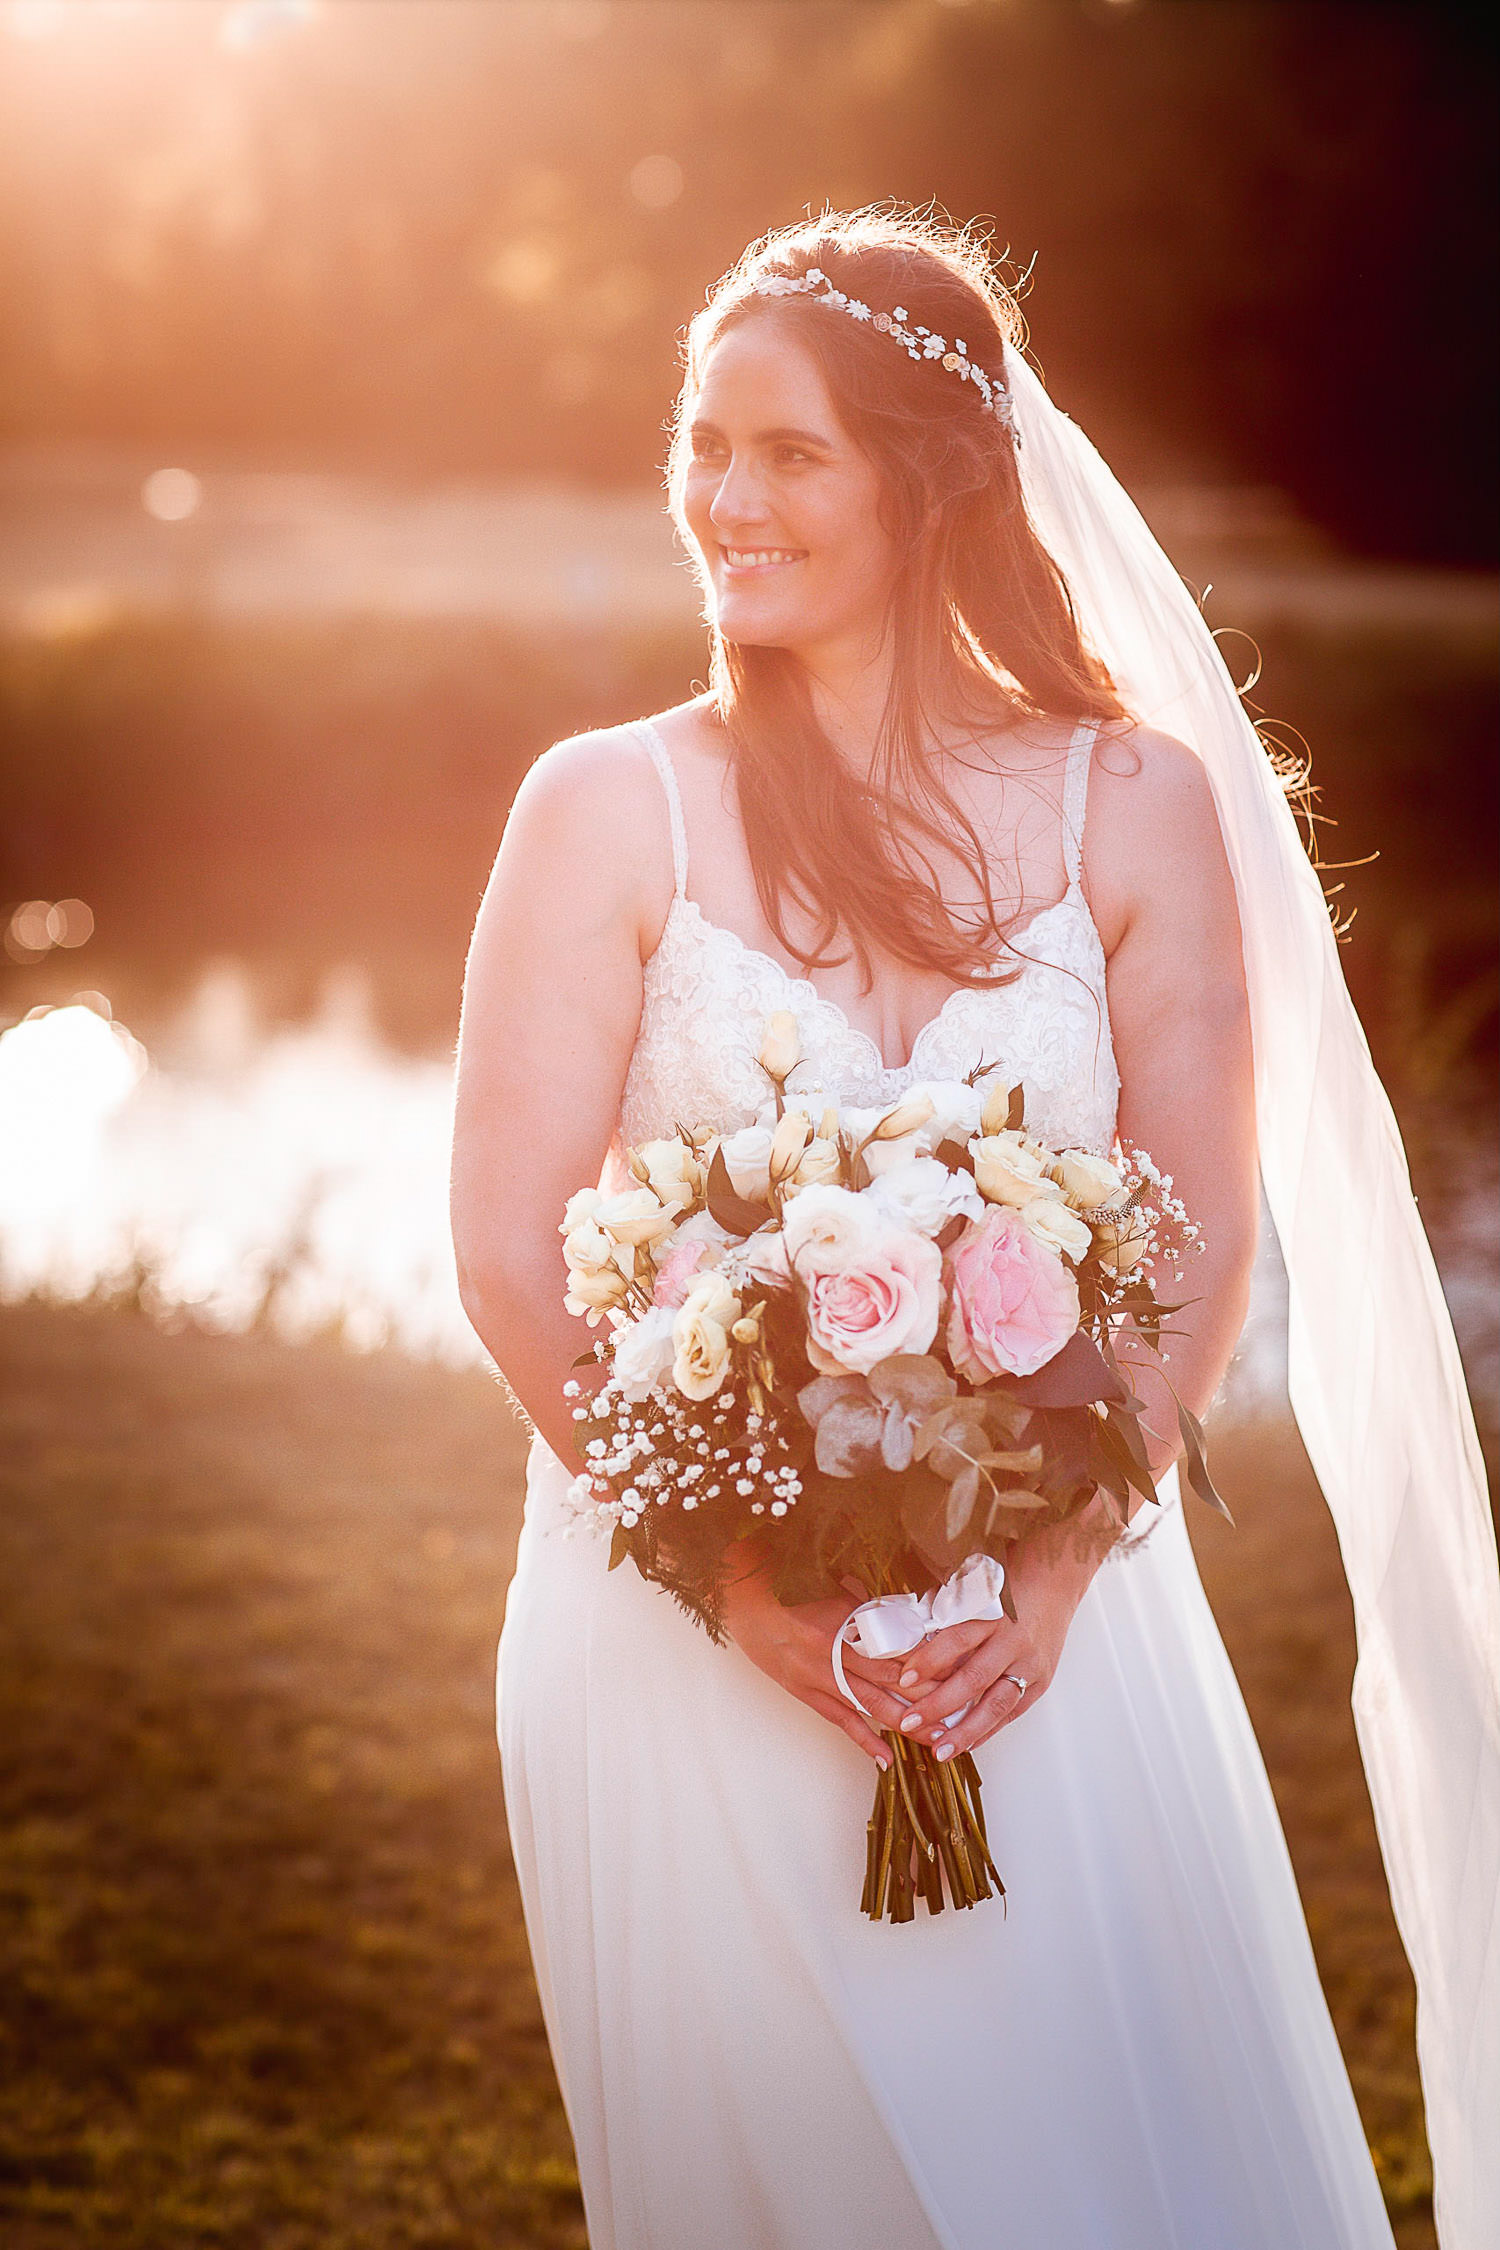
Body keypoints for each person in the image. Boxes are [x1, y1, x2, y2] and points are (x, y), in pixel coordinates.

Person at [451, 212, 1496, 2250]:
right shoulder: (607, 805)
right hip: (684, 1638)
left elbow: (1187, 1249)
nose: (725, 500)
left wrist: (1053, 1571)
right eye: (705, 445)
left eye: (787, 452)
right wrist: (737, 1590)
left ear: (930, 487)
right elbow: (507, 1252)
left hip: (1058, 1637)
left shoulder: (1137, 805)